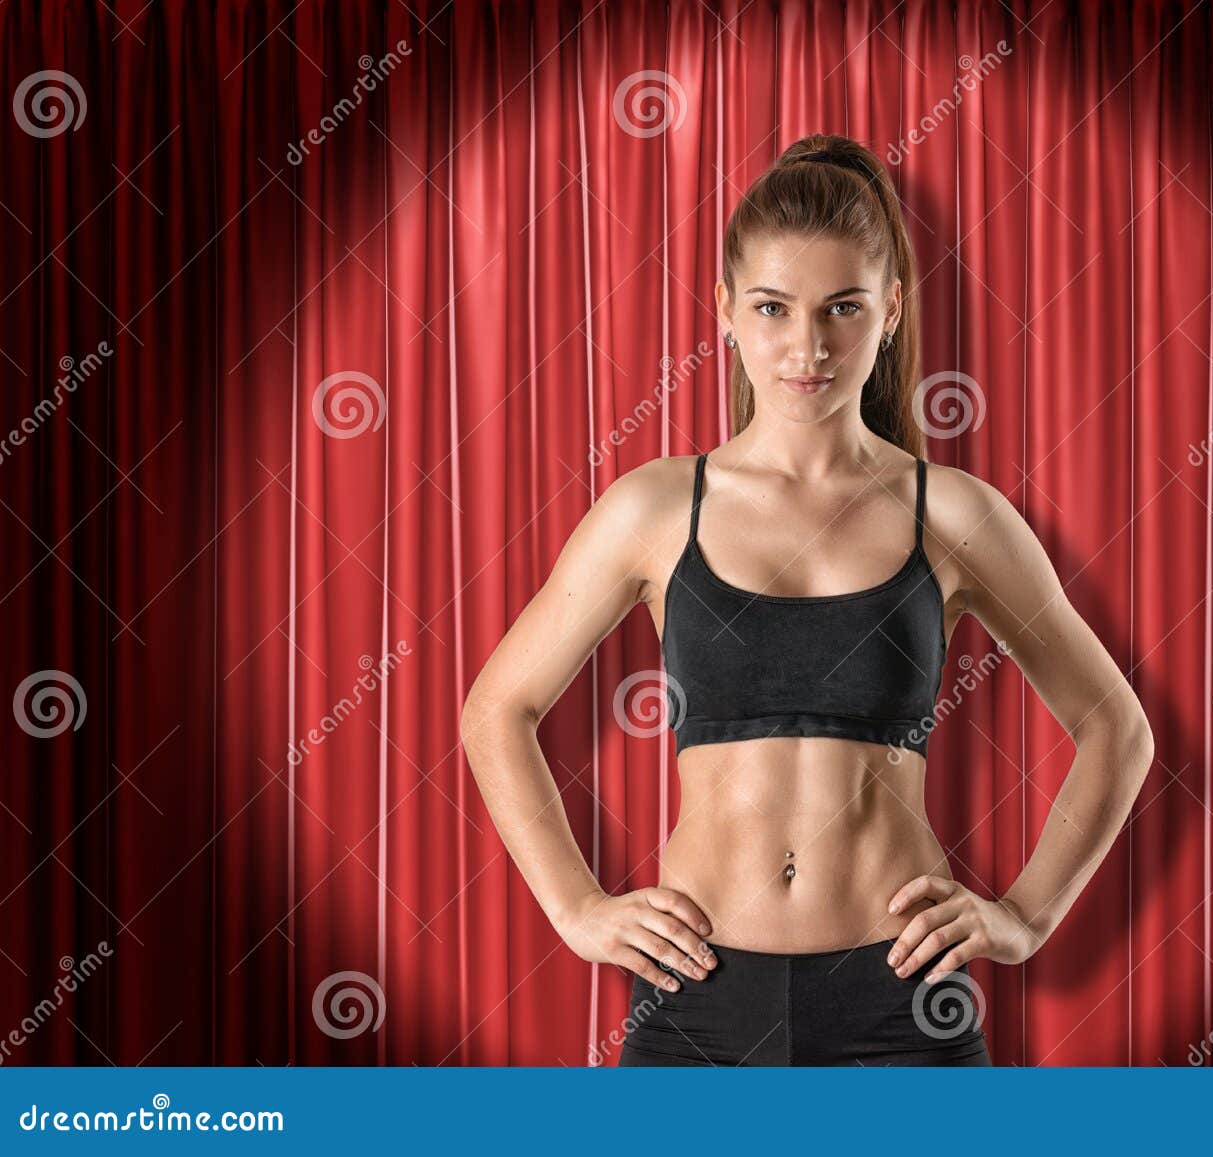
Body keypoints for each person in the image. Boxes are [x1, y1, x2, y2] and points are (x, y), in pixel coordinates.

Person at [460, 134, 1154, 1066]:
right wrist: (577, 906)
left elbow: (1116, 723)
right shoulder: (655, 508)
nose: (807, 347)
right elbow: (498, 709)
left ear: (891, 310)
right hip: (694, 1005)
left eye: (843, 309)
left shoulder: (951, 513)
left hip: (901, 1007)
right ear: (727, 313)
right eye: (774, 308)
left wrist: (1024, 915)